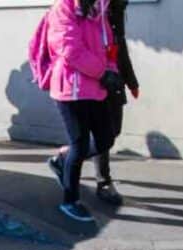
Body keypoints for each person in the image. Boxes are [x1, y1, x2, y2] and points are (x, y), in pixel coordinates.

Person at [47, 0, 137, 207]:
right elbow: (70, 48)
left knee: (107, 137)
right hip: (73, 89)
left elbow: (112, 47)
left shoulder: (102, 10)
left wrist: (117, 74)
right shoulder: (65, 7)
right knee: (80, 145)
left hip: (98, 86)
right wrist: (103, 73)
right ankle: (72, 200)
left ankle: (64, 160)